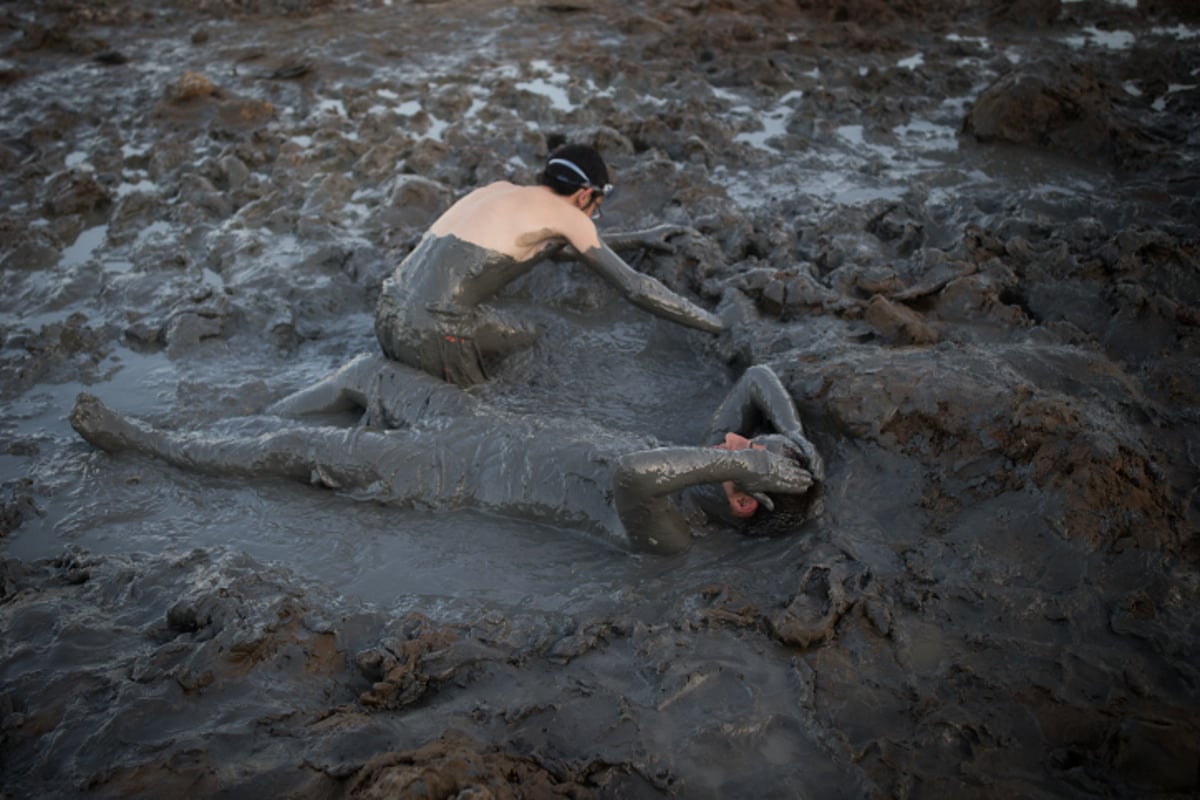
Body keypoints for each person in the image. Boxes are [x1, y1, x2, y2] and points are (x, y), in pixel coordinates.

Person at [69, 358, 822, 554]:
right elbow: (758, 379)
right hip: (478, 423)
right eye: (739, 441)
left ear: (742, 498)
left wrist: (755, 460)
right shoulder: (708, 465)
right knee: (367, 374)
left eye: (740, 454)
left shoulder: (673, 532)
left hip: (451, 474)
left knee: (292, 448)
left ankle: (153, 446)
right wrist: (791, 438)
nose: (728, 440)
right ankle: (229, 422)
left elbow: (631, 474)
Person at [374, 143, 724, 386]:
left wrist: (639, 237)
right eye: (596, 204)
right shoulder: (567, 215)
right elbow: (636, 288)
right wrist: (717, 325)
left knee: (526, 335)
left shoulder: (496, 190)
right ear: (585, 194)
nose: (593, 214)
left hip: (388, 312)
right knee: (472, 422)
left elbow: (553, 249)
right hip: (434, 332)